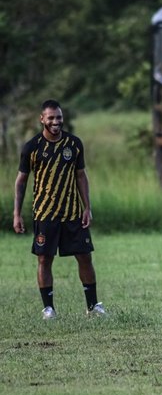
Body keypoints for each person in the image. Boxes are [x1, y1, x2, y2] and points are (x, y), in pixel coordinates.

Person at [13, 99, 106, 320]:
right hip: (45, 214)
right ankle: (49, 309)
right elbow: (21, 181)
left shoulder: (74, 144)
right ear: (42, 119)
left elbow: (81, 176)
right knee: (44, 259)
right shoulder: (32, 148)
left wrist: (87, 207)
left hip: (73, 212)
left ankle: (92, 306)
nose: (56, 122)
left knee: (85, 257)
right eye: (51, 118)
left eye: (59, 117)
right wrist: (16, 214)